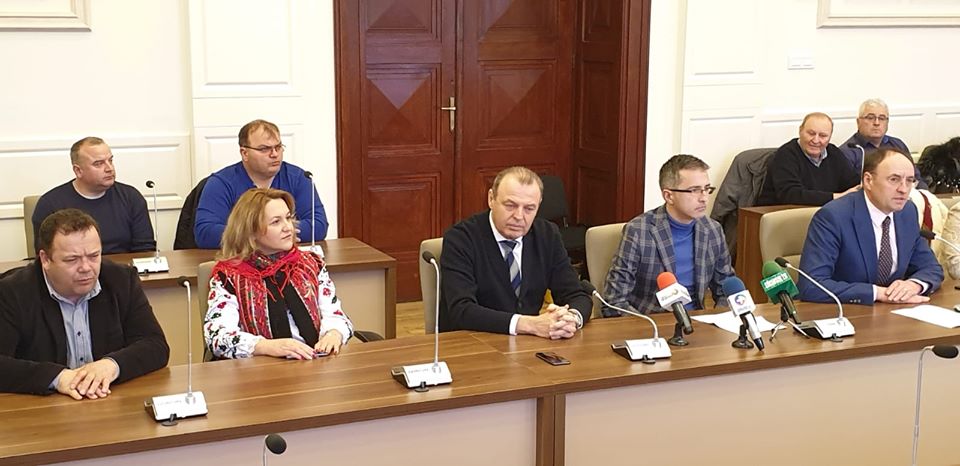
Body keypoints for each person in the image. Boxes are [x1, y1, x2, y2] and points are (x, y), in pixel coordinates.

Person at [0, 209, 169, 398]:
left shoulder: (121, 280)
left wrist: (111, 365)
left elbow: (155, 345)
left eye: (94, 256)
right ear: (45, 259)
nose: (86, 268)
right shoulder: (12, 292)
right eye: (72, 259)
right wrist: (57, 377)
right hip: (44, 405)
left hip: (108, 399)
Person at [439, 167, 592, 338]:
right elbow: (461, 310)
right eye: (510, 205)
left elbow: (576, 294)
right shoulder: (461, 238)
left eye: (529, 208)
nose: (519, 216)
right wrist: (528, 324)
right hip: (472, 343)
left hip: (528, 344)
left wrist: (571, 319)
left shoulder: (547, 235)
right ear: (491, 199)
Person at [204, 188, 352, 359]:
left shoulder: (312, 263)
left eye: (288, 218)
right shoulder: (229, 276)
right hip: (261, 367)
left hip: (315, 362)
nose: (288, 227)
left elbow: (336, 314)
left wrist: (334, 333)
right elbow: (217, 336)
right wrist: (266, 346)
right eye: (276, 222)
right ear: (251, 231)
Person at [798, 147, 943, 304]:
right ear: (868, 181)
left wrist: (914, 285)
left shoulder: (907, 212)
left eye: (909, 181)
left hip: (895, 311)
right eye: (894, 179)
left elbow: (931, 267)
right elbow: (811, 285)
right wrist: (878, 293)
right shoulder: (833, 217)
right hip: (845, 312)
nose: (903, 189)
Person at [604, 155, 734, 315]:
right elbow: (614, 301)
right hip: (651, 322)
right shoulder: (638, 231)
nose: (704, 198)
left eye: (707, 189)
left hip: (698, 321)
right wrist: (648, 325)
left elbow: (726, 288)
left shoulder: (713, 230)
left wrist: (720, 319)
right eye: (694, 190)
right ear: (668, 196)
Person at [194, 119, 328, 249]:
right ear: (244, 153)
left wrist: (276, 232)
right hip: (240, 259)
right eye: (264, 149)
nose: (274, 154)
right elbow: (205, 232)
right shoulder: (221, 183)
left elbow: (318, 225)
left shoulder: (299, 178)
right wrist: (262, 234)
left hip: (287, 258)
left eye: (278, 147)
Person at [32, 137, 155, 255]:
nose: (109, 168)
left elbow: (145, 250)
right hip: (75, 268)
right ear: (78, 171)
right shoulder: (50, 204)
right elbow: (47, 255)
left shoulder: (131, 197)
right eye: (98, 164)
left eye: (110, 160)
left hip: (124, 268)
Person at [756, 112, 860, 206]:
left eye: (823, 136)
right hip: (781, 214)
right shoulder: (785, 155)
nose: (816, 140)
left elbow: (853, 183)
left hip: (820, 212)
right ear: (800, 131)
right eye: (811, 133)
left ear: (830, 137)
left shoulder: (834, 153)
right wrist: (836, 197)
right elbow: (790, 194)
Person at [840, 98, 927, 189]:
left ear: (887, 122)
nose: (876, 123)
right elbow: (850, 190)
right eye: (870, 118)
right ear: (858, 122)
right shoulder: (848, 152)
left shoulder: (897, 145)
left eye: (882, 118)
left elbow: (916, 177)